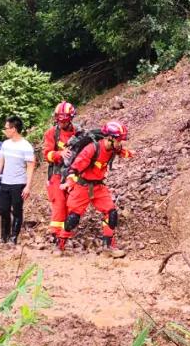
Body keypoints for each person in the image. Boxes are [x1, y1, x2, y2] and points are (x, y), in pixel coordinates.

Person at [58, 120, 132, 257]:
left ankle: (108, 246)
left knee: (111, 213)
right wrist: (68, 182)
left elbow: (124, 152)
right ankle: (60, 245)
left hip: (99, 187)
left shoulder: (114, 148)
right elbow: (74, 169)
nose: (121, 143)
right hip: (82, 186)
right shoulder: (92, 149)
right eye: (119, 140)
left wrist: (131, 154)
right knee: (73, 218)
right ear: (110, 138)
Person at [0, 115, 36, 246]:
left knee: (17, 210)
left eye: (6, 128)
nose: (5, 131)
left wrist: (28, 186)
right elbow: (0, 162)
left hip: (18, 183)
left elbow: (30, 166)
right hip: (5, 182)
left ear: (14, 129)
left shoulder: (25, 146)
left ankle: (14, 237)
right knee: (2, 209)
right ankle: (4, 236)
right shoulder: (6, 144)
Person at [43, 101, 78, 240]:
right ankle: (56, 233)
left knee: (72, 203)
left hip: (73, 173)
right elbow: (47, 154)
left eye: (64, 121)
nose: (61, 123)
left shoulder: (78, 132)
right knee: (59, 202)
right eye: (59, 120)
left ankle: (67, 232)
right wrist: (60, 154)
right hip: (56, 173)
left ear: (70, 119)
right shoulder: (52, 133)